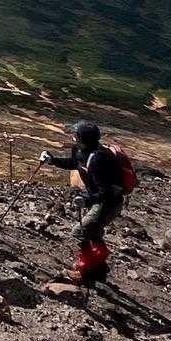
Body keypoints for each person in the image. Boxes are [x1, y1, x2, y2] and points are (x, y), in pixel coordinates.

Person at [40, 121, 125, 282]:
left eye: (76, 135)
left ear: (83, 139)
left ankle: (85, 272)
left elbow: (106, 192)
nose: (73, 137)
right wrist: (53, 160)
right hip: (97, 200)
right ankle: (98, 270)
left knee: (80, 232)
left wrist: (86, 200)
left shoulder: (99, 159)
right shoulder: (80, 151)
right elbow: (74, 163)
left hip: (108, 203)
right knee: (92, 233)